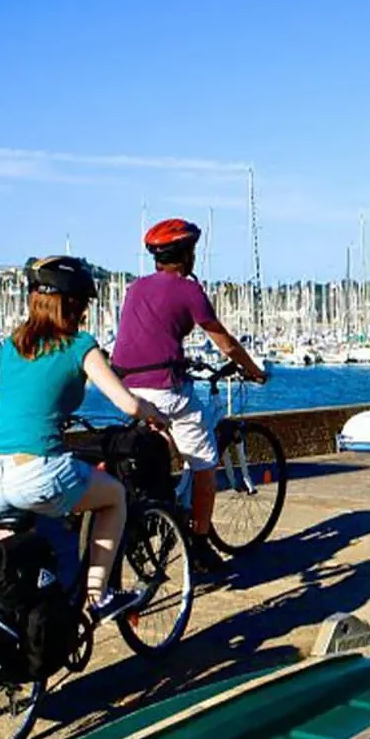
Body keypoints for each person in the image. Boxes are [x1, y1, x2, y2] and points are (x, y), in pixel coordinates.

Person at [0, 255, 166, 618]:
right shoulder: (80, 345)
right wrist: (153, 415)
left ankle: (18, 638)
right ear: (75, 304)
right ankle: (99, 597)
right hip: (35, 470)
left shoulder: (11, 345)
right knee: (114, 496)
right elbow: (126, 404)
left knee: (13, 580)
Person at [110, 218, 268, 569]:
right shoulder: (189, 290)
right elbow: (224, 342)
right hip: (166, 390)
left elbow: (146, 337)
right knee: (203, 462)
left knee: (154, 447)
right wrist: (254, 371)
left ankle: (155, 512)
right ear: (187, 254)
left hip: (126, 387)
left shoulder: (136, 288)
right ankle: (199, 544)